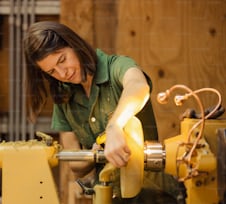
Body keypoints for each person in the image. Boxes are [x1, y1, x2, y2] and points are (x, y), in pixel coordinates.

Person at [23, 21, 180, 203]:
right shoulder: (64, 97)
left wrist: (114, 127)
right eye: (52, 71)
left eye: (62, 60)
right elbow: (75, 164)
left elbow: (138, 86)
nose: (63, 73)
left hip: (154, 194)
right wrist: (96, 151)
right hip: (107, 196)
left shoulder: (116, 67)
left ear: (74, 45)